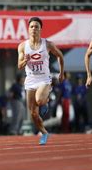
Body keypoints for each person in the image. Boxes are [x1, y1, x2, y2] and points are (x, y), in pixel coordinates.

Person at [17, 17, 64, 145]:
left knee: (39, 100)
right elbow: (19, 66)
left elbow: (59, 55)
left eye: (36, 27)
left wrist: (61, 72)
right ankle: (44, 132)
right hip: (30, 80)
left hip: (44, 79)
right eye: (31, 27)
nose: (34, 29)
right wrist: (25, 61)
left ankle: (45, 100)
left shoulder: (47, 44)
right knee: (33, 113)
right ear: (28, 29)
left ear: (40, 29)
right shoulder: (22, 46)